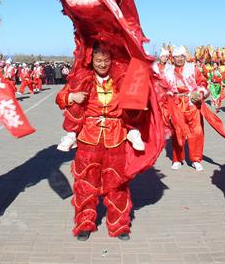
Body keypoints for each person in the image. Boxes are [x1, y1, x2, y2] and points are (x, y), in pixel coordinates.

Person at [56, 45, 145, 240]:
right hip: (88, 139)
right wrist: (72, 96)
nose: (103, 64)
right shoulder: (83, 78)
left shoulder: (120, 80)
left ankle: (119, 225)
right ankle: (85, 223)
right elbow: (60, 97)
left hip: (116, 138)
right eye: (98, 61)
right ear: (92, 61)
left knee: (118, 184)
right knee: (86, 184)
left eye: (106, 61)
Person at [165, 46, 208, 171]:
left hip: (192, 103)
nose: (179, 59)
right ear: (173, 58)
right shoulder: (169, 71)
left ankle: (196, 159)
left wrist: (200, 93)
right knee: (177, 132)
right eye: (176, 57)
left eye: (181, 57)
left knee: (197, 132)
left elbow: (203, 82)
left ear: (185, 57)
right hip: (176, 103)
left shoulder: (193, 69)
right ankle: (177, 158)